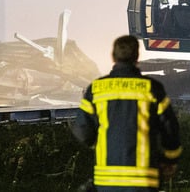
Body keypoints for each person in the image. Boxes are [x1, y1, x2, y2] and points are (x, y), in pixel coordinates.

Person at [72, 35, 182, 191]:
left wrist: (104, 143)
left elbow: (81, 130)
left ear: (113, 57)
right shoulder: (152, 89)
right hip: (144, 181)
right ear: (137, 57)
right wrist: (170, 160)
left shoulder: (96, 89)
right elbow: (170, 129)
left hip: (106, 181)